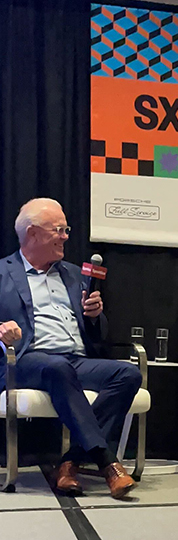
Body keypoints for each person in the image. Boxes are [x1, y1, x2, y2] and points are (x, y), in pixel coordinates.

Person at [0, 198, 138, 498]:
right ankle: (106, 461)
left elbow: (97, 335)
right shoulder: (2, 273)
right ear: (33, 233)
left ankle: (70, 462)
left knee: (127, 374)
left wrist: (94, 316)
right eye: (58, 230)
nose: (65, 237)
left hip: (74, 359)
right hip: (24, 360)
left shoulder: (75, 275)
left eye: (66, 229)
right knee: (55, 366)